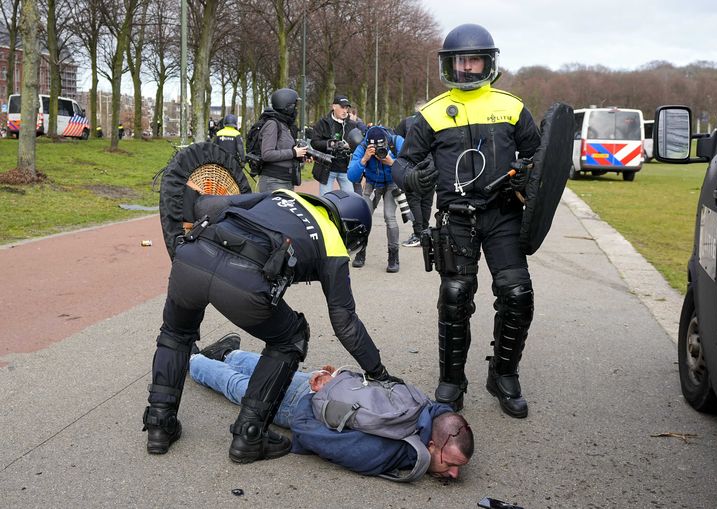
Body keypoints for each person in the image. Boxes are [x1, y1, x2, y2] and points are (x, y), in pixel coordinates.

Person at [142, 188, 403, 464]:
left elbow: (210, 204)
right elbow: (345, 323)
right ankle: (249, 434)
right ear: (353, 230)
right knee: (291, 337)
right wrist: (378, 372)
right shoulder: (332, 240)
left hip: (191, 258)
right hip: (243, 283)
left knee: (176, 334)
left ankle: (159, 423)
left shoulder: (285, 195)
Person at [391, 24, 541, 418]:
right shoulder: (431, 113)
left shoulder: (512, 106)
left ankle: (504, 374)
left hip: (504, 215)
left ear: (488, 62)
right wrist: (412, 177)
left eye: (474, 59)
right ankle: (452, 381)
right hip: (456, 219)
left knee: (517, 295)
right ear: (449, 64)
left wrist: (528, 174)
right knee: (455, 298)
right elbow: (402, 163)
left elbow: (541, 156)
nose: (468, 67)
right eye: (461, 60)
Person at [189, 334, 473, 480]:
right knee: (241, 388)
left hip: (331, 385)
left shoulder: (423, 403)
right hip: (309, 405)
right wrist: (303, 416)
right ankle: (194, 362)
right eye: (449, 464)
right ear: (432, 444)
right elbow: (320, 440)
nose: (453, 474)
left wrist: (334, 381)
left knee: (276, 369)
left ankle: (228, 353)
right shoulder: (395, 448)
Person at [347, 125, 405, 272]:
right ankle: (360, 252)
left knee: (389, 216)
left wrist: (392, 162)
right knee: (363, 217)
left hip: (392, 183)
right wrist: (364, 159)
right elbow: (351, 176)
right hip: (372, 183)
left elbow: (409, 164)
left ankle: (393, 257)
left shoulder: (396, 141)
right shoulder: (363, 147)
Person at [394, 103, 435, 248]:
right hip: (432, 166)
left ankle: (418, 234)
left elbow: (395, 139)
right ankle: (425, 232)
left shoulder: (407, 122)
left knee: (414, 199)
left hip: (414, 165)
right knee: (426, 201)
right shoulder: (435, 121)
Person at [255, 88, 308, 194]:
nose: (296, 110)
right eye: (295, 106)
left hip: (287, 180)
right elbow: (267, 154)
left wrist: (300, 155)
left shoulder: (285, 125)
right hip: (273, 181)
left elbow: (284, 149)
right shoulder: (272, 124)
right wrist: (293, 152)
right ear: (287, 107)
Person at [310, 95, 357, 195]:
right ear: (334, 106)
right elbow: (314, 142)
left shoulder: (352, 125)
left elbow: (359, 144)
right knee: (325, 200)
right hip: (327, 168)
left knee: (351, 200)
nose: (345, 111)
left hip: (345, 168)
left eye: (346, 108)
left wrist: (351, 146)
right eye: (342, 107)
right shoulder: (323, 123)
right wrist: (331, 144)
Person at [212, 114, 246, 179]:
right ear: (235, 122)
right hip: (233, 161)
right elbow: (240, 148)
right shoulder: (237, 134)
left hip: (220, 161)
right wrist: (242, 160)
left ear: (225, 122)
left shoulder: (219, 133)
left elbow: (214, 147)